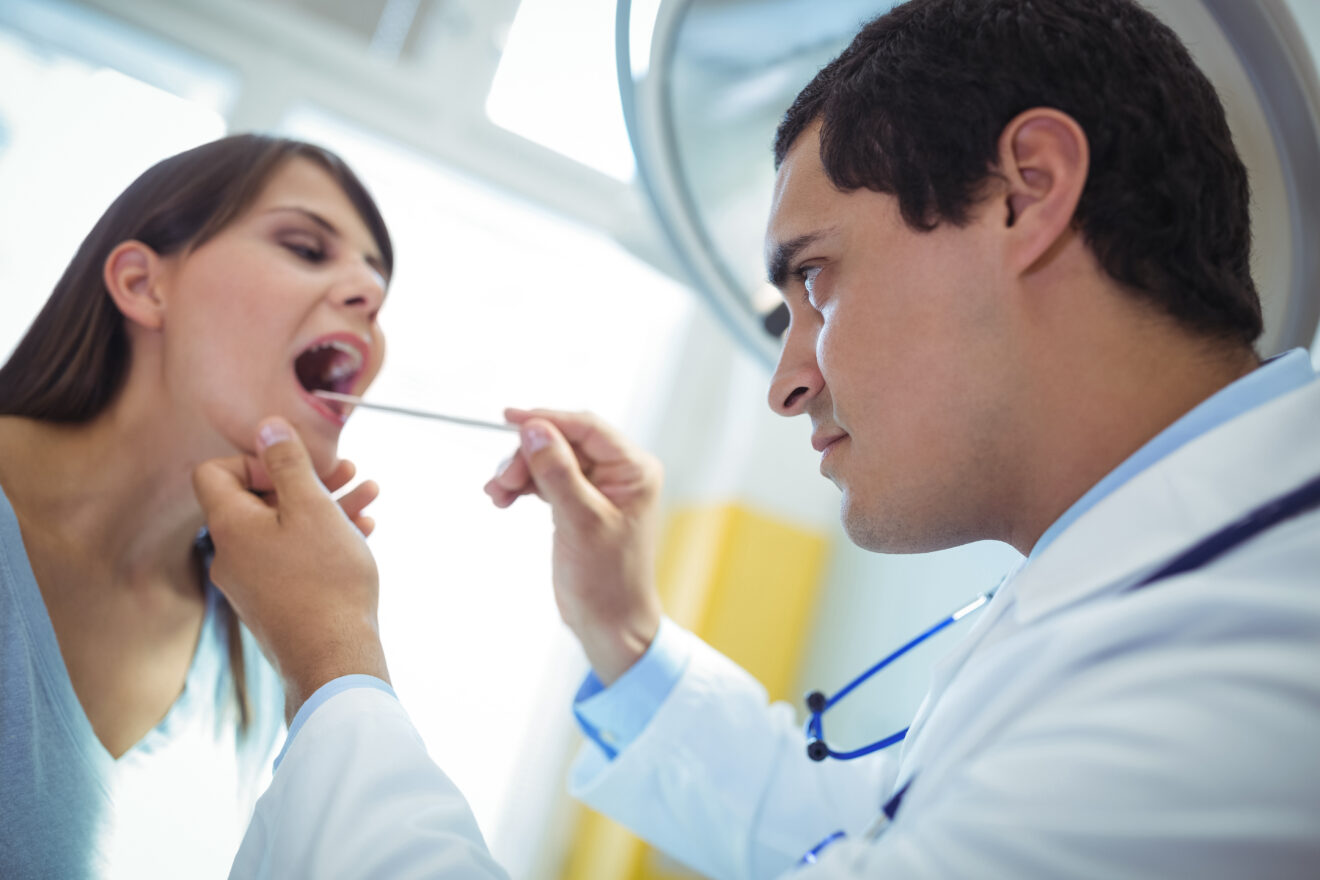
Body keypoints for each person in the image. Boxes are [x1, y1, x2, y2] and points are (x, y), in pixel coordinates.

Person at [196, 0, 1320, 877]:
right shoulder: (1142, 581)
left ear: (1027, 192)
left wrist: (333, 662)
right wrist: (623, 629)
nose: (786, 385)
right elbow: (847, 838)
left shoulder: (1263, 646)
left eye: (814, 278)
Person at [0, 134, 389, 878]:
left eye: (378, 283)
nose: (368, 295)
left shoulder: (249, 646)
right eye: (307, 247)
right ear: (145, 285)